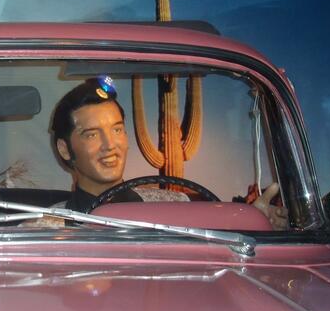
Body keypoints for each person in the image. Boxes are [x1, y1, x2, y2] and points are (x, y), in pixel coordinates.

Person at [49, 77, 289, 230]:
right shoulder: (45, 227)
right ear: (64, 149)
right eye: (91, 134)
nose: (110, 144)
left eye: (117, 130)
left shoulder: (176, 206)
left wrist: (255, 222)